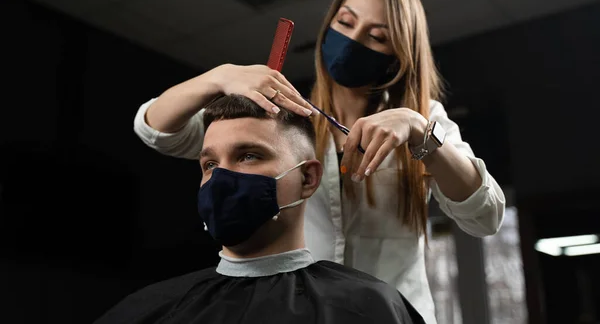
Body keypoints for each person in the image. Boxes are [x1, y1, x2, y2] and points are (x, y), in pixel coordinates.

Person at [133, 0, 506, 323]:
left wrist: (419, 131)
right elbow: (156, 130)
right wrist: (219, 77)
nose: (353, 41)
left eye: (376, 37)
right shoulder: (287, 117)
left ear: (400, 53)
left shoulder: (425, 120)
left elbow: (485, 216)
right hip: (302, 312)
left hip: (392, 314)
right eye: (344, 23)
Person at [98, 95, 425, 324]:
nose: (221, 178)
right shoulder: (149, 310)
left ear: (307, 178)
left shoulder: (368, 309)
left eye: (248, 155)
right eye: (210, 164)